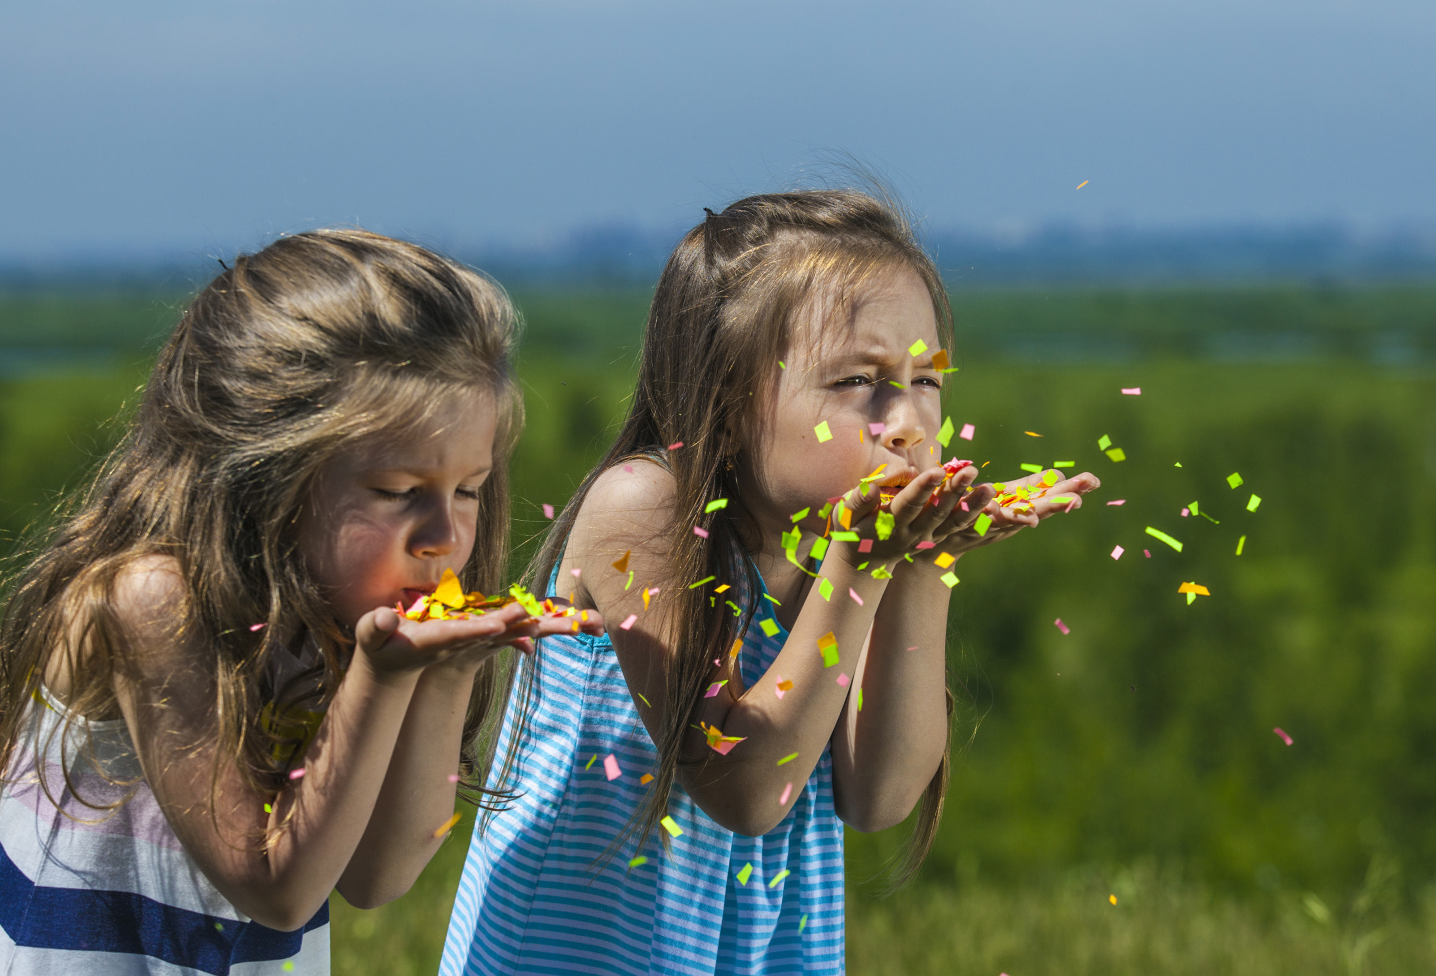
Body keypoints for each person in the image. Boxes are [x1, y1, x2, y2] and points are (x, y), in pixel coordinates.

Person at [441, 190, 1099, 975]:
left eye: (926, 379)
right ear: (727, 399)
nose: (909, 423)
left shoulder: (836, 546)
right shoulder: (642, 512)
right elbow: (746, 787)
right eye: (858, 379)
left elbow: (880, 794)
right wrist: (865, 564)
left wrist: (925, 560)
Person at [0, 230, 603, 975]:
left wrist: (449, 672)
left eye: (468, 491)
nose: (445, 535)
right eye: (400, 494)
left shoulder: (333, 612)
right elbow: (280, 891)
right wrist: (383, 676)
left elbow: (374, 879)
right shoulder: (153, 603)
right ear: (269, 472)